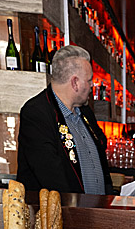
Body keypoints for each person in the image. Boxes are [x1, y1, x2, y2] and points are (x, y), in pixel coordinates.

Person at [16, 45, 113, 195]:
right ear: (75, 83)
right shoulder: (36, 113)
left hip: (96, 207)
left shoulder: (85, 111)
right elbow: (51, 175)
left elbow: (100, 147)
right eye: (89, 80)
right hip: (64, 209)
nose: (92, 86)